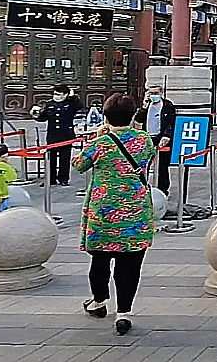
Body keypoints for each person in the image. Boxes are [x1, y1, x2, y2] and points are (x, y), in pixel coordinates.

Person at [72, 93, 155, 336]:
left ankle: (99, 301)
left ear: (106, 117)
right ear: (132, 116)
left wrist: (100, 137)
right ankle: (124, 314)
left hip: (104, 213)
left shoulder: (100, 143)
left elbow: (78, 165)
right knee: (130, 264)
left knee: (99, 260)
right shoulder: (144, 140)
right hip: (135, 212)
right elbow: (148, 157)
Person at [30, 84, 83, 187]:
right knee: (51, 158)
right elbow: (43, 117)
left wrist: (72, 96)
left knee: (64, 158)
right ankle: (51, 179)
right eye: (55, 94)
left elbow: (80, 106)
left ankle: (63, 179)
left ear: (65, 95)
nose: (56, 96)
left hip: (66, 135)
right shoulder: (50, 104)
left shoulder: (71, 104)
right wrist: (35, 115)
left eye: (59, 94)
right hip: (52, 136)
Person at [133, 86, 176, 197]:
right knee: (143, 164)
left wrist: (167, 136)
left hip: (161, 137)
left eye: (156, 93)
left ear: (161, 93)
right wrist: (144, 106)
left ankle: (163, 190)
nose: (153, 95)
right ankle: (143, 188)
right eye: (151, 93)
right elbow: (138, 119)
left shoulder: (167, 105)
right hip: (148, 137)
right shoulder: (147, 105)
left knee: (162, 165)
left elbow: (171, 122)